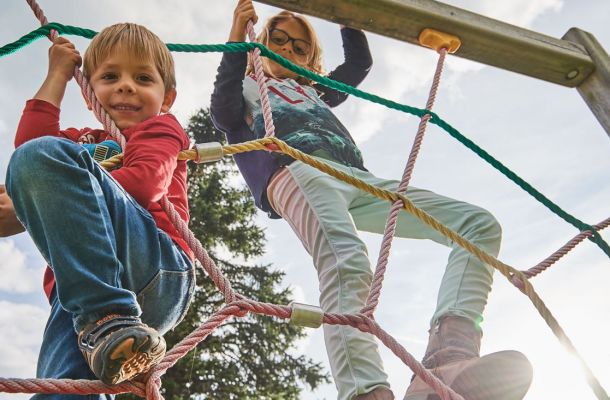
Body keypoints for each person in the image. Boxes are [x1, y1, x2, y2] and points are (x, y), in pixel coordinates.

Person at [210, 1, 533, 399]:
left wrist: (341, 13)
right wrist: (237, 34)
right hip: (293, 171)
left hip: (356, 179)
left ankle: (448, 358)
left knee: (477, 225)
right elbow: (222, 111)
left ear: (310, 61)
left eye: (299, 48)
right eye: (278, 41)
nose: (288, 51)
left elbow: (357, 64)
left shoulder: (316, 91)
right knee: (347, 262)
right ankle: (366, 391)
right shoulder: (247, 85)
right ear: (259, 44)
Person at [5, 23, 195, 397]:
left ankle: (108, 316)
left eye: (142, 77)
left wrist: (47, 199)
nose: (126, 85)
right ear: (90, 95)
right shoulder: (84, 142)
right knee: (62, 387)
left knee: (42, 158)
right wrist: (58, 73)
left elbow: (144, 183)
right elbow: (29, 151)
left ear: (167, 97)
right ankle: (108, 328)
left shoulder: (162, 128)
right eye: (110, 76)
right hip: (77, 295)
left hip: (155, 267)